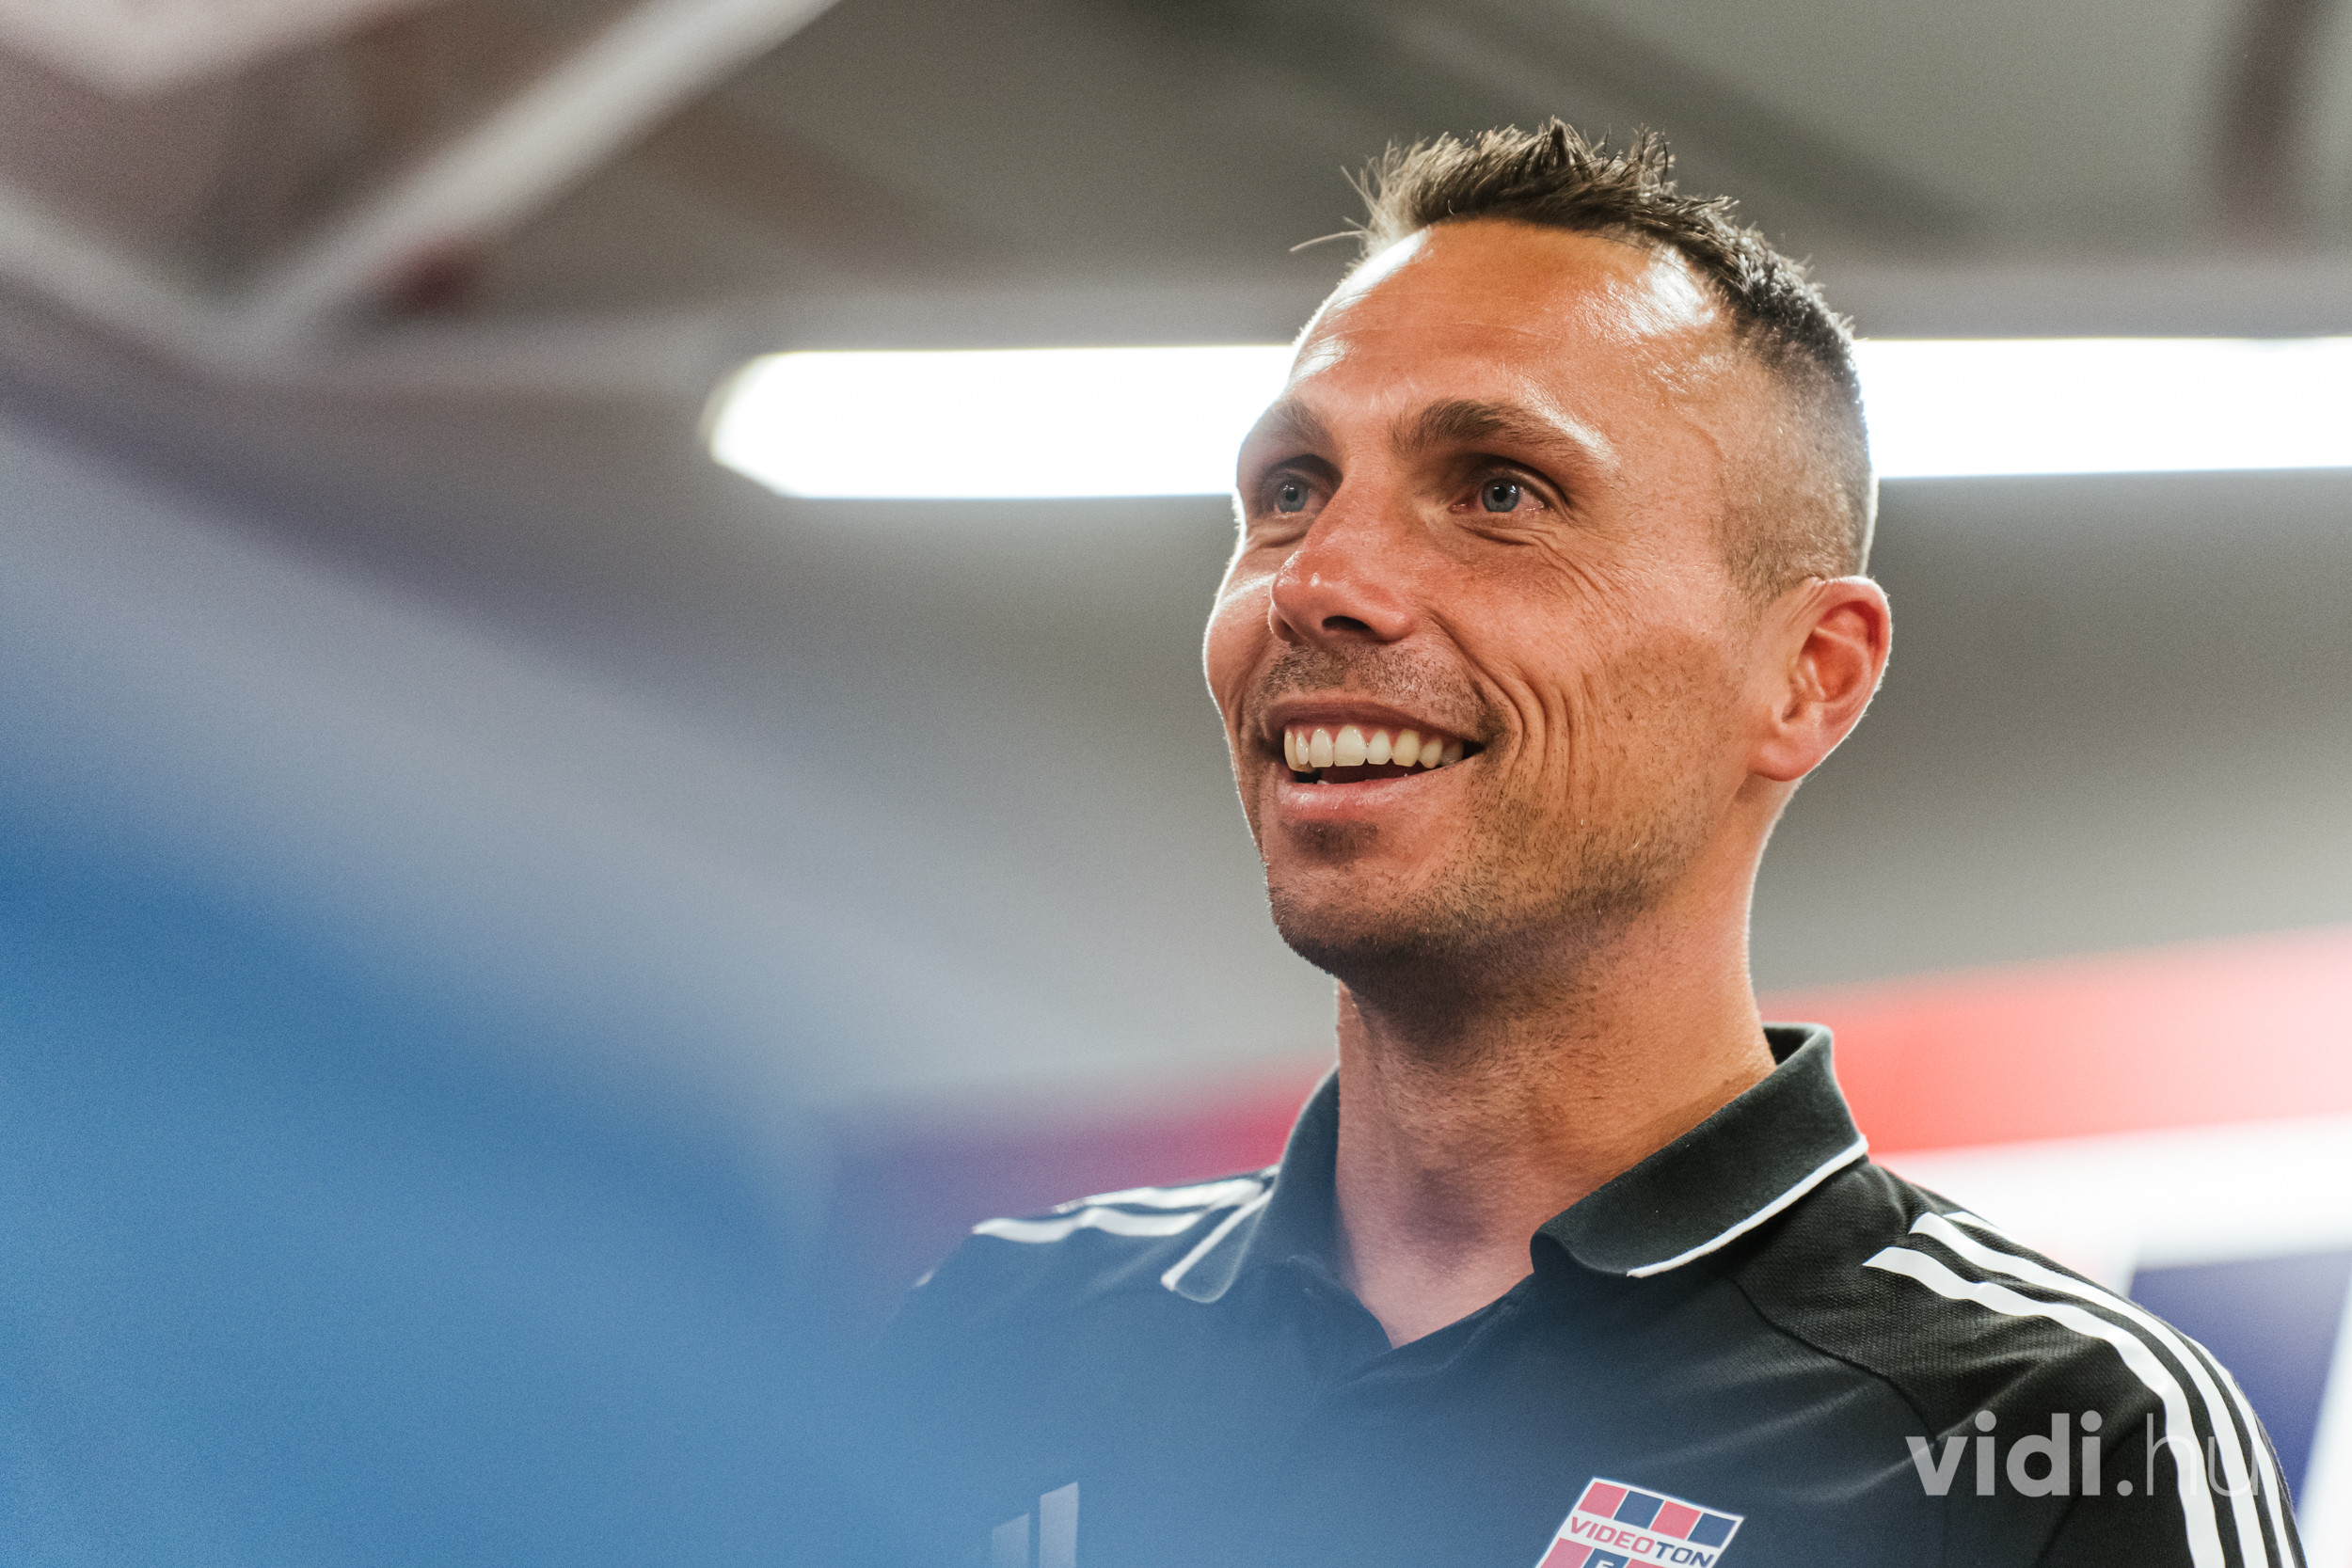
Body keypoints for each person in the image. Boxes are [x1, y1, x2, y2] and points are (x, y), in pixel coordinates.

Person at [861, 122, 2299, 1568]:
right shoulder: (1000, 1333)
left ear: (1807, 676)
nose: (1319, 580)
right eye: (1292, 490)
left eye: (1501, 491)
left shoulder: (2049, 1433)